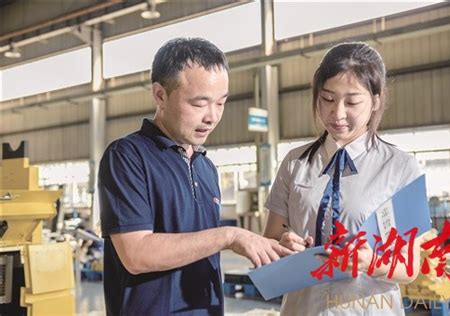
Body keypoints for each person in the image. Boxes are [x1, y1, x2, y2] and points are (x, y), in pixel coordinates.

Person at [98, 38, 292, 316]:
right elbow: (136, 254)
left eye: (221, 103)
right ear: (160, 95)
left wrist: (271, 248)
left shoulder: (205, 167)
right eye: (199, 104)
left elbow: (201, 245)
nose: (212, 117)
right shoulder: (128, 156)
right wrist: (229, 235)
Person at [263, 42, 422, 315]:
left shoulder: (401, 168)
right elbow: (270, 240)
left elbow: (409, 267)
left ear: (376, 101)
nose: (337, 113)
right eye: (327, 99)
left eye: (351, 102)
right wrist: (282, 245)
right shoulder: (295, 162)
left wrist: (370, 262)